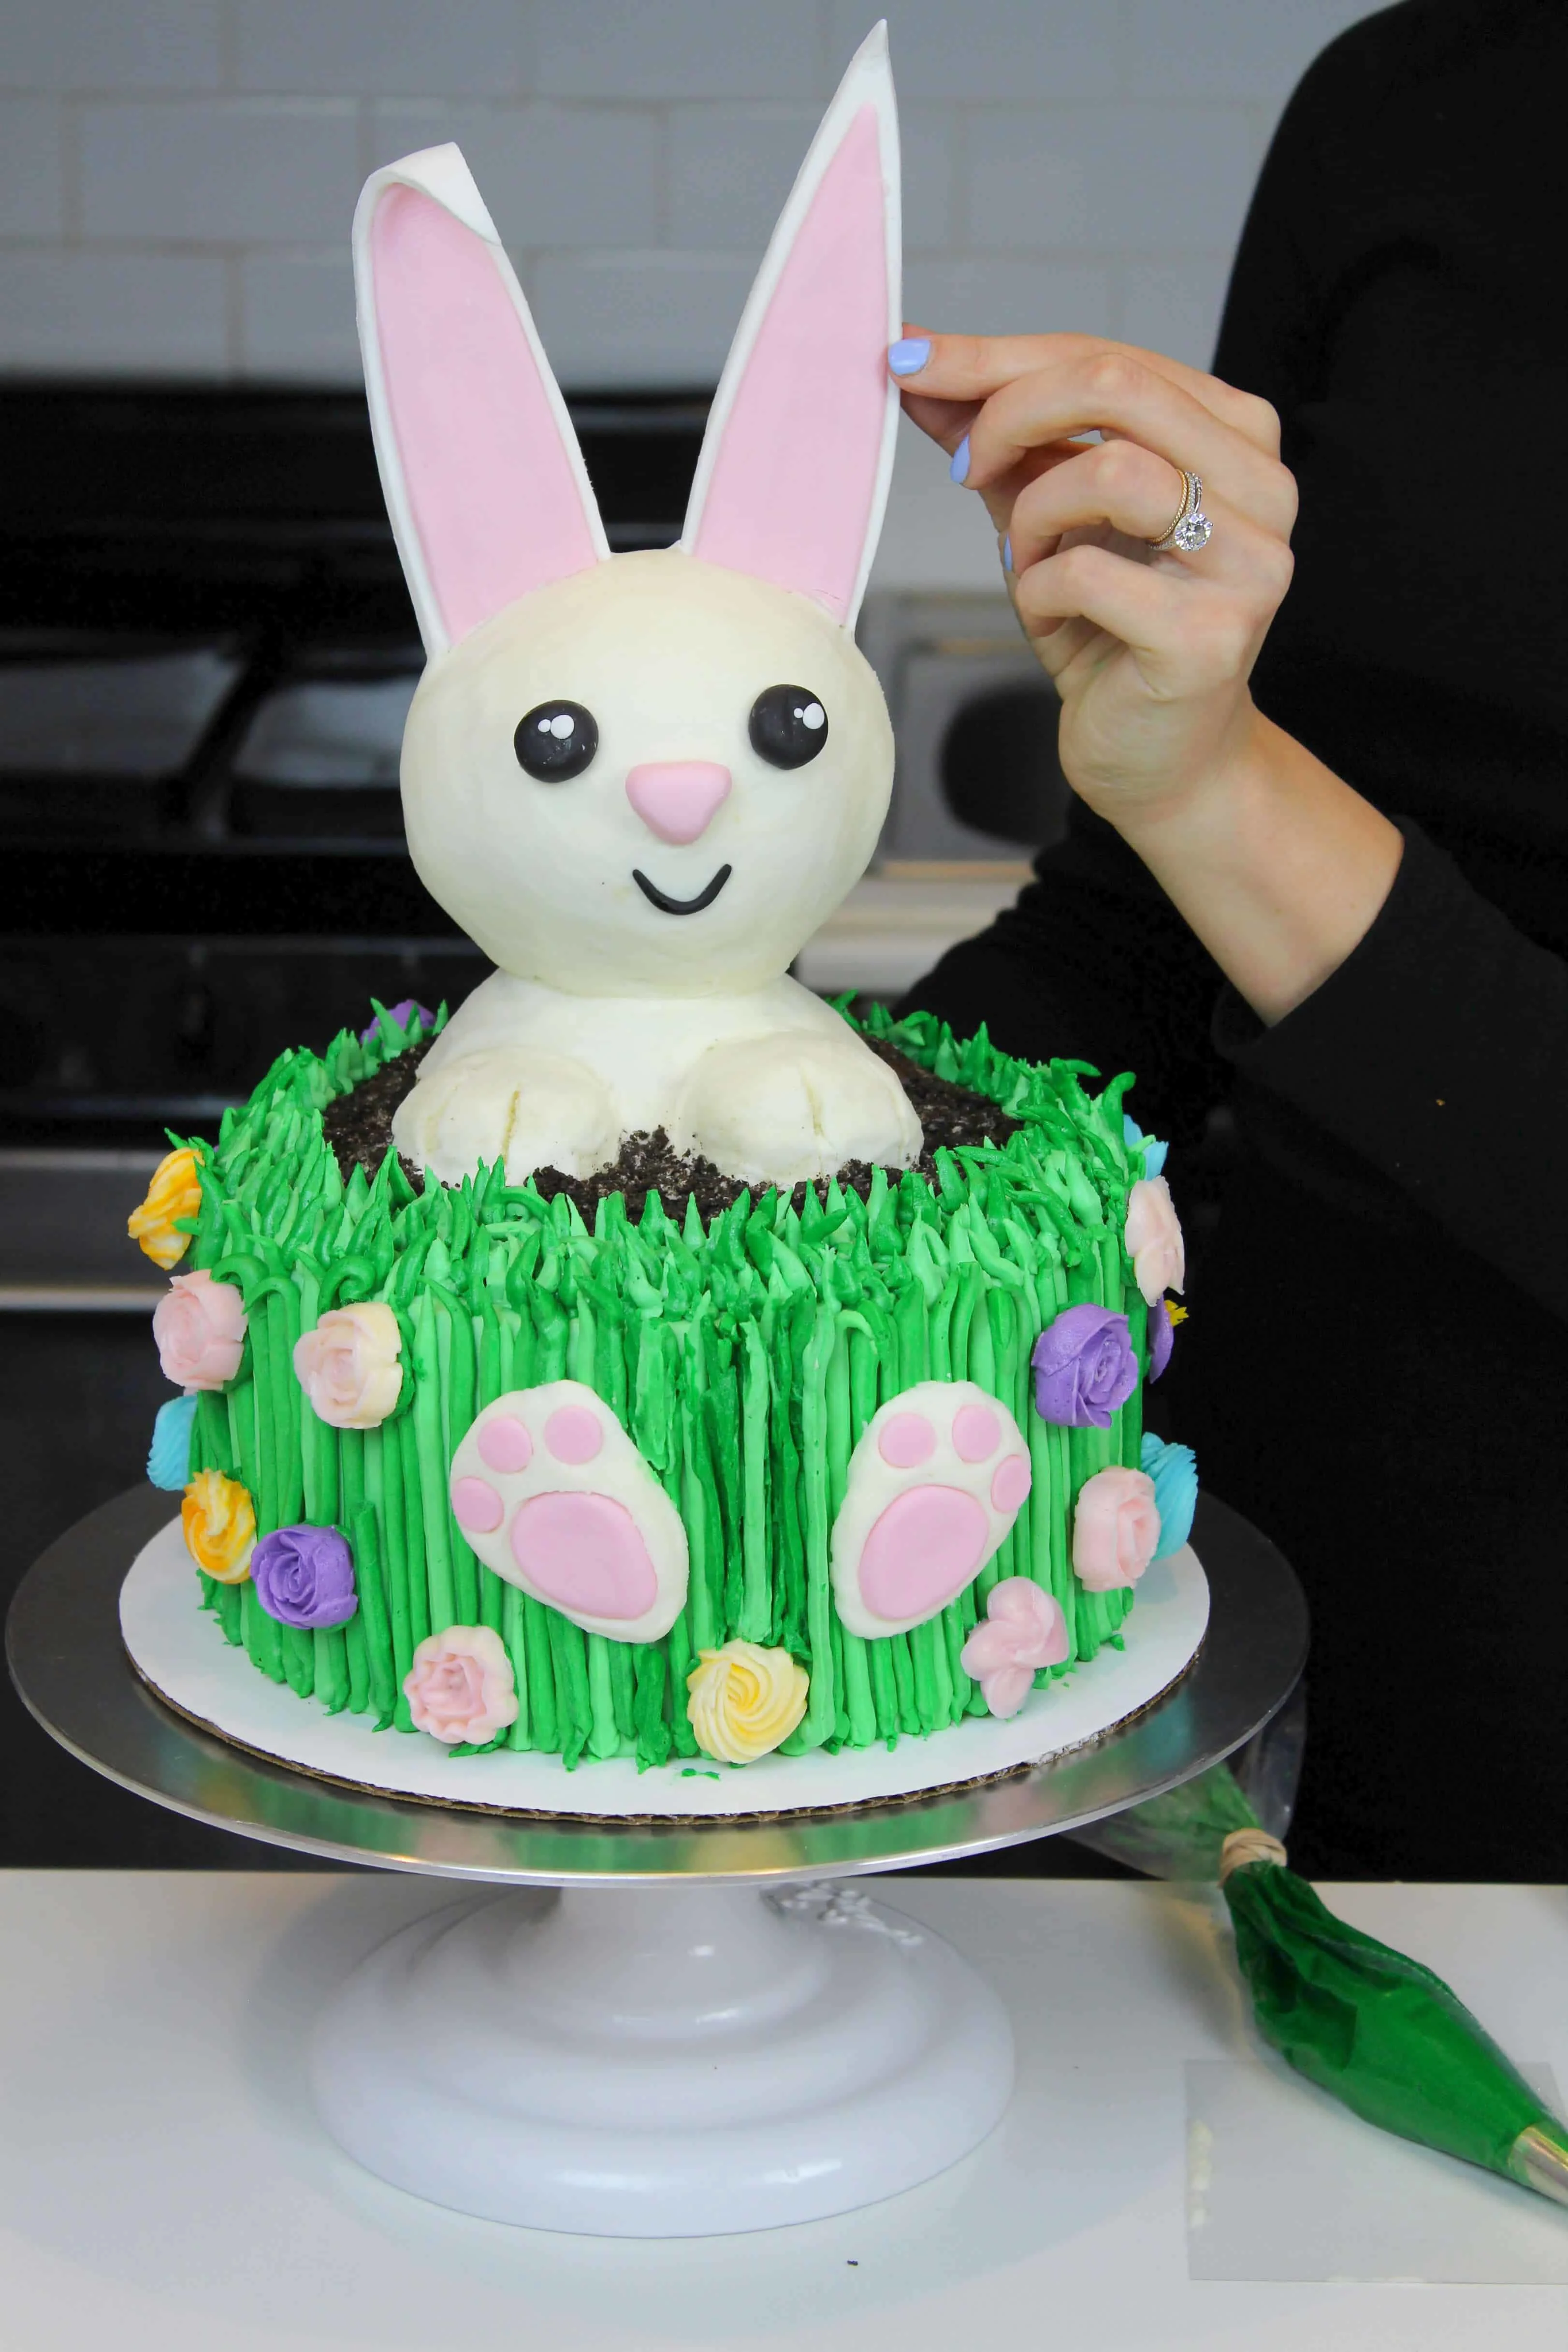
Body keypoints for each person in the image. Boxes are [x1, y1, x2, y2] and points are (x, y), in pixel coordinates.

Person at [884, 0, 1568, 1880]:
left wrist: (1222, 795)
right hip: (1192, 1598)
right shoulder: (1407, 97)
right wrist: (778, 1164)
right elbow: (1140, 919)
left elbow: (1221, 807)